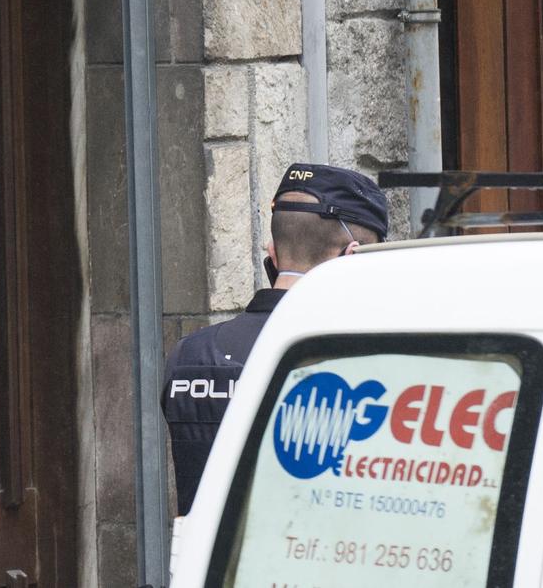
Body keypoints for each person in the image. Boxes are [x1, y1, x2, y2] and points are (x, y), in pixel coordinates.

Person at [162, 161, 389, 509]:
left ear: (272, 253)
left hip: (205, 564)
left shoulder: (188, 357)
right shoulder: (362, 366)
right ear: (352, 258)